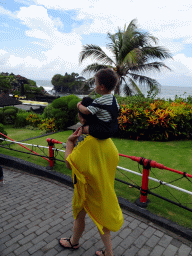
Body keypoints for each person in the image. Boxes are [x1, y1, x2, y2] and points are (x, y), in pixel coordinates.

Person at [59, 98, 124, 256]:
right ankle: (76, 242)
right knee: (94, 219)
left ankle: (103, 251)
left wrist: (69, 143)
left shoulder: (86, 142)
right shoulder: (107, 140)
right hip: (102, 187)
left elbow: (70, 163)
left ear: (82, 118)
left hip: (87, 189)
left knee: (85, 217)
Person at [77, 68, 120, 139]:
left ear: (102, 87)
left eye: (96, 84)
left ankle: (77, 141)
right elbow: (117, 110)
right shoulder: (114, 99)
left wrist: (79, 105)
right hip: (113, 129)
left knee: (83, 129)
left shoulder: (99, 101)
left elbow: (86, 111)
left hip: (101, 130)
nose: (95, 87)